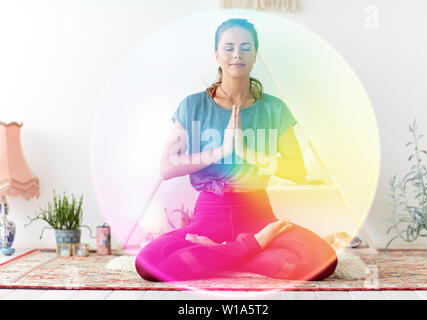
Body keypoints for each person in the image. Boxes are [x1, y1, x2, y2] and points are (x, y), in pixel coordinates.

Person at [135, 18, 338, 282]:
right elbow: (167, 167)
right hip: (209, 216)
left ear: (255, 54)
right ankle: (249, 248)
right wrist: (221, 151)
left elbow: (297, 171)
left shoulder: (274, 109)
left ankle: (218, 255)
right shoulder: (193, 106)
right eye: (229, 47)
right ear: (217, 54)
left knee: (324, 261)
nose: (237, 54)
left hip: (258, 215)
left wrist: (247, 152)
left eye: (245, 47)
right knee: (148, 263)